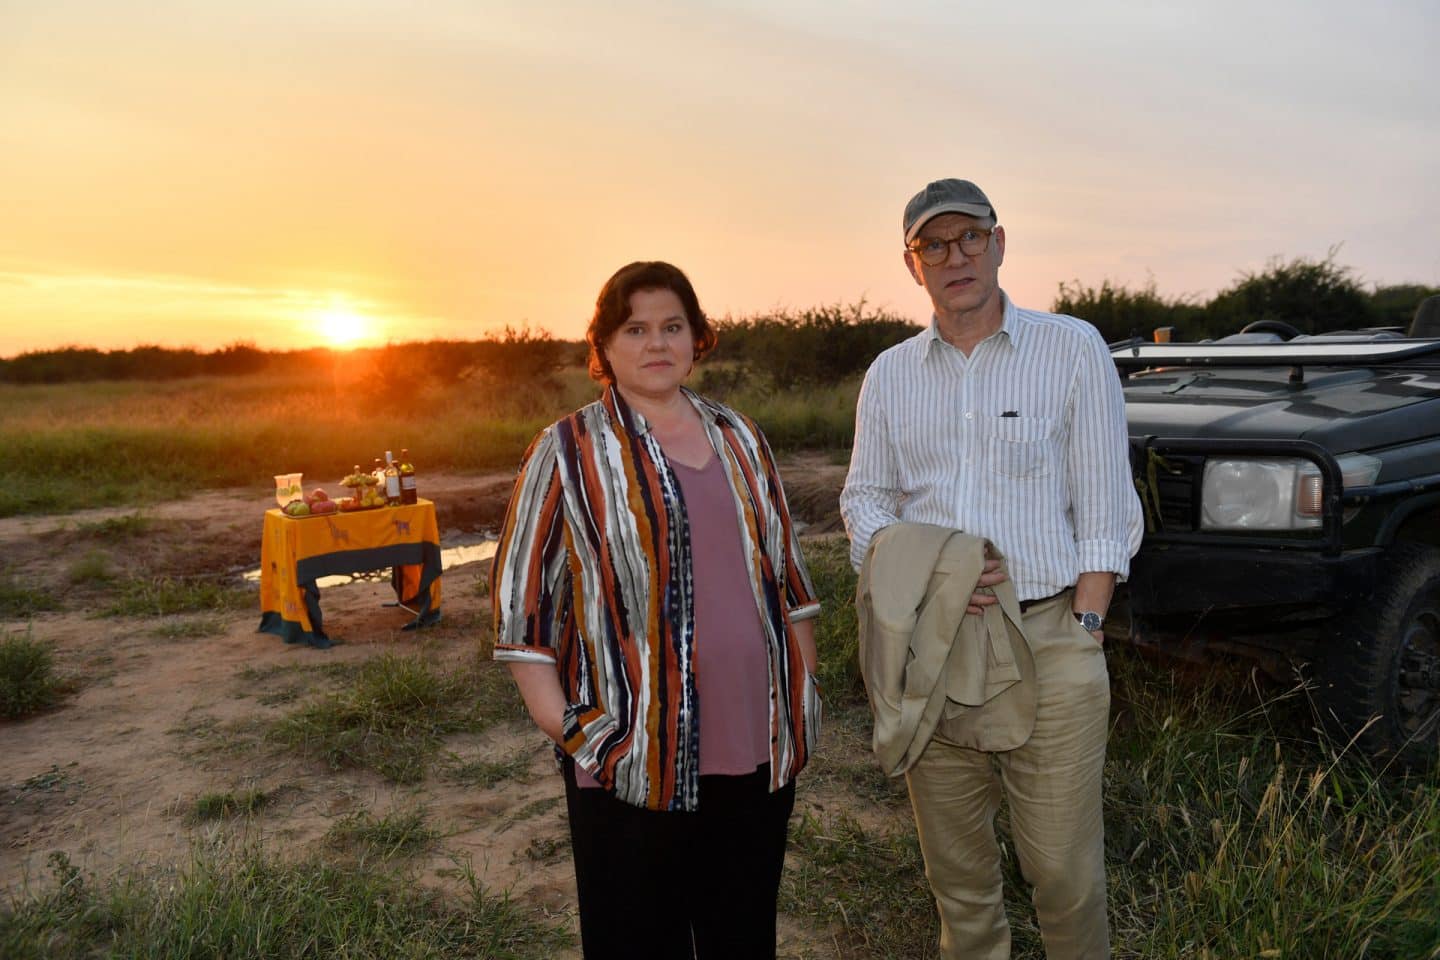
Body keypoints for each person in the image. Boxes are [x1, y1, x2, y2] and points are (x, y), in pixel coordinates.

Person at [840, 178, 1143, 959]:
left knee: (1063, 875)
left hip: (1049, 639)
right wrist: (927, 566)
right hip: (929, 649)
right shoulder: (891, 375)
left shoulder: (1071, 349)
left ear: (1000, 242)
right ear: (913, 266)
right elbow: (864, 500)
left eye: (970, 237)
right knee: (961, 880)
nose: (955, 257)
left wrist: (1086, 625)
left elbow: (1107, 510)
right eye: (932, 245)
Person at [491, 260, 822, 960]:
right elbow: (522, 617)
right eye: (635, 328)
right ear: (604, 347)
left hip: (755, 748)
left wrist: (799, 696)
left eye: (673, 326)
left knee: (742, 936)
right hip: (632, 756)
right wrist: (582, 735)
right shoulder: (566, 451)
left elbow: (790, 585)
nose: (656, 343)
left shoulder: (742, 437)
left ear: (697, 337)